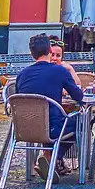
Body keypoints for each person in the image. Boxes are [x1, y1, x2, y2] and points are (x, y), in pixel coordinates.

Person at [12, 33, 86, 161]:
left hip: (24, 128)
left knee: (53, 120)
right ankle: (52, 157)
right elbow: (78, 96)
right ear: (50, 51)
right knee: (81, 121)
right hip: (51, 129)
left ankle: (51, 159)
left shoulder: (22, 74)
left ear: (31, 54)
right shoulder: (60, 71)